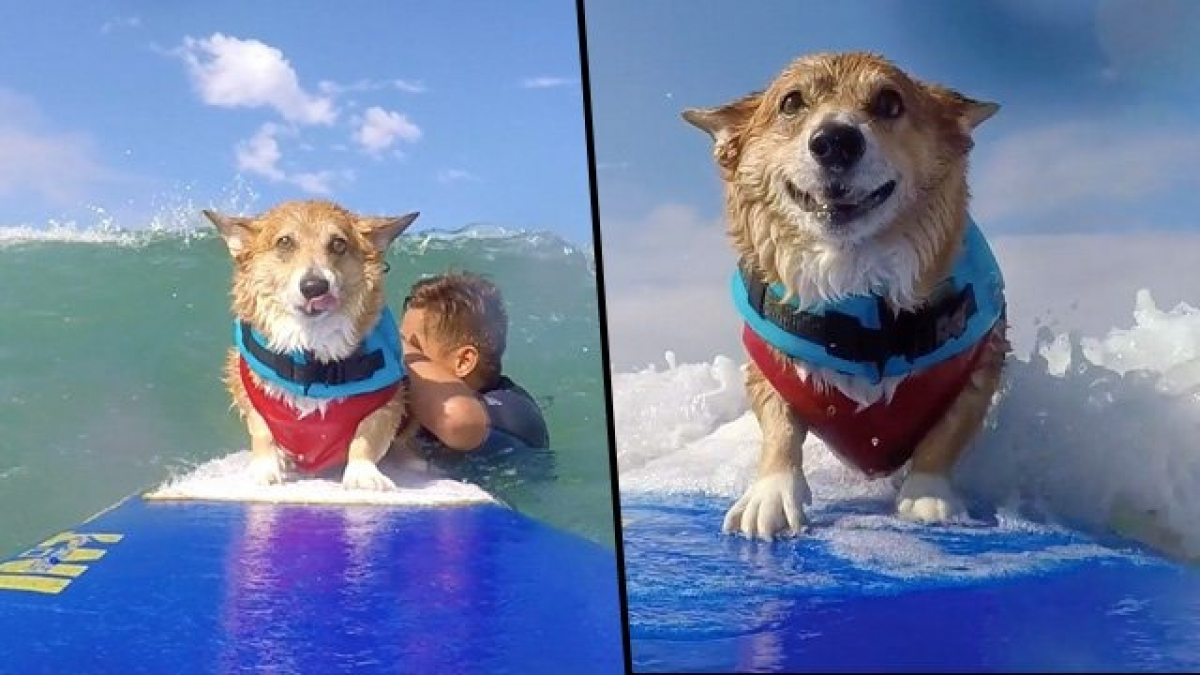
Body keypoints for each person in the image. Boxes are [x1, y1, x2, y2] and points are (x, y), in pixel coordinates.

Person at [397, 272, 551, 480]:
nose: (399, 358)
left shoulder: (513, 418)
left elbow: (456, 420)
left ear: (463, 362)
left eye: (413, 350)